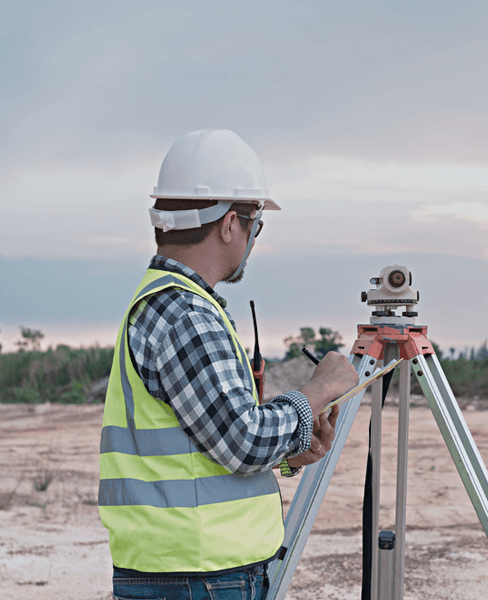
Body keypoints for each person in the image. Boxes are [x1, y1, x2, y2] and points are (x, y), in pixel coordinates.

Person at [98, 129, 360, 600]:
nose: (253, 240)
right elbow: (244, 441)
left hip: (186, 570)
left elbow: (208, 447)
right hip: (199, 576)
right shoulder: (185, 314)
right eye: (255, 225)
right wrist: (320, 387)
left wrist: (289, 454)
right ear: (229, 224)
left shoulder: (171, 304)